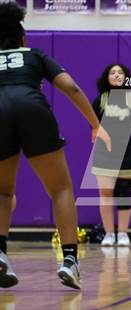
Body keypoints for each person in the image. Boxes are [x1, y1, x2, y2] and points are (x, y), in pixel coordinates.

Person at [0, 2, 111, 289]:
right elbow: (71, 87)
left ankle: (0, 253)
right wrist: (94, 123)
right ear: (22, 38)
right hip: (32, 108)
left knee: (2, 191)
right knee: (60, 188)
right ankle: (70, 260)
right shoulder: (35, 55)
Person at [91, 64, 131, 247]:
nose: (116, 75)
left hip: (126, 154)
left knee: (124, 193)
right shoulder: (100, 100)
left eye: (120, 72)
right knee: (105, 194)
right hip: (103, 154)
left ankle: (122, 234)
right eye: (112, 72)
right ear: (106, 77)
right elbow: (93, 125)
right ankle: (108, 234)